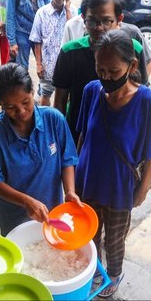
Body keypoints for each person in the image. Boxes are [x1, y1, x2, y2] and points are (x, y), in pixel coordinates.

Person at [75, 30, 151, 297]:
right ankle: (95, 271)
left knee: (115, 239)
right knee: (90, 234)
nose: (105, 77)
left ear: (131, 66)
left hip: (120, 185)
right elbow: (82, 136)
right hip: (87, 179)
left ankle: (115, 274)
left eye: (113, 71)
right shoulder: (90, 91)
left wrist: (142, 189)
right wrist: (72, 180)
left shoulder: (146, 101)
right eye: (100, 69)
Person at [0, 63, 81, 236]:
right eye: (10, 107)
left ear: (33, 91)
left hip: (52, 213)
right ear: (0, 104)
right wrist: (26, 201)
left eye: (25, 102)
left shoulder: (54, 119)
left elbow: (67, 160)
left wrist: (70, 191)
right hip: (14, 218)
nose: (20, 111)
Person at [53, 0, 149, 143]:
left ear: (119, 19)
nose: (99, 28)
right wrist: (61, 141)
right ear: (83, 18)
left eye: (106, 21)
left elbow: (140, 96)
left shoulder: (134, 49)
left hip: (120, 136)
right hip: (78, 134)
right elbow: (60, 102)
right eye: (92, 21)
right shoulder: (70, 52)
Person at [29, 0, 76, 106]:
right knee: (45, 95)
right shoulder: (42, 13)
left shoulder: (73, 11)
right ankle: (46, 122)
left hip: (67, 64)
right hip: (48, 66)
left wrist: (67, 9)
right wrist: (38, 64)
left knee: (64, 97)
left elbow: (73, 31)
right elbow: (37, 40)